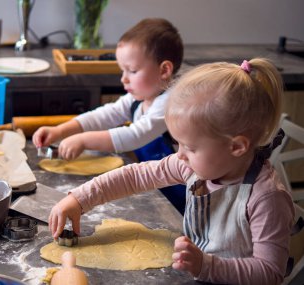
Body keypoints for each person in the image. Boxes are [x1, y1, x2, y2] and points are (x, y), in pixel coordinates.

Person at [48, 58, 295, 285]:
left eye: (190, 147)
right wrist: (79, 199)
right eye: (178, 144)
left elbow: (269, 273)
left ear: (237, 146)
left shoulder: (266, 198)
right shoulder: (193, 166)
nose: (179, 155)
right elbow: (134, 176)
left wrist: (205, 265)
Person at [33, 18, 186, 213]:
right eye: (123, 70)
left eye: (132, 70)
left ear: (164, 70)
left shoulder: (172, 103)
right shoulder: (138, 98)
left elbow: (135, 135)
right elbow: (105, 114)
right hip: (156, 187)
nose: (123, 78)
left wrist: (83, 140)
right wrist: (60, 130)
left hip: (182, 195)